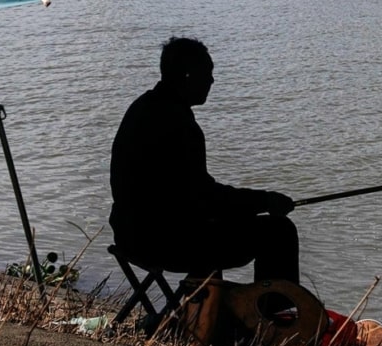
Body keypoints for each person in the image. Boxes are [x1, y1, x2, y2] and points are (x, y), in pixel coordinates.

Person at [109, 37, 298, 282]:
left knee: (233, 221)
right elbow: (204, 198)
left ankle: (210, 307)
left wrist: (252, 206)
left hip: (129, 233)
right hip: (163, 242)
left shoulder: (143, 106)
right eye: (207, 74)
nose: (211, 81)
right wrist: (266, 201)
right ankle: (274, 315)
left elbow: (190, 197)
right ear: (187, 76)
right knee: (278, 231)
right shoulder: (179, 126)